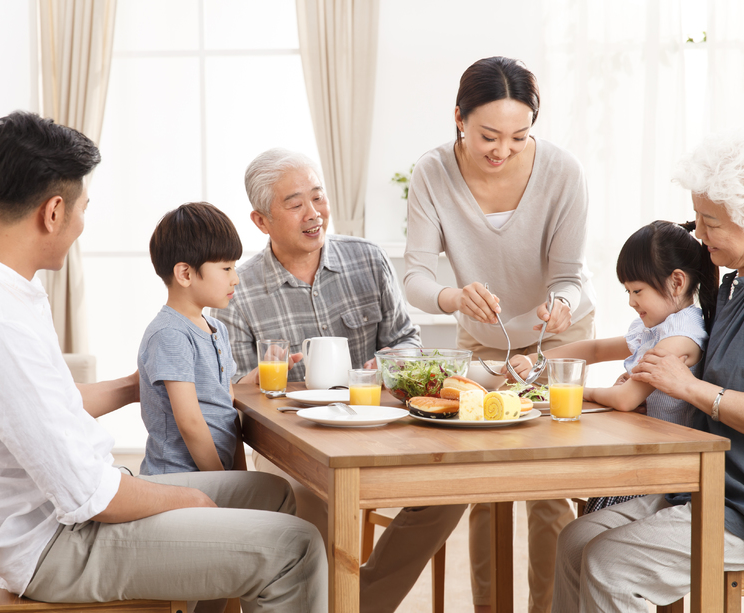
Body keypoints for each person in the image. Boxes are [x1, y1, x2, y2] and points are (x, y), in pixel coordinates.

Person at [0, 112, 326, 611]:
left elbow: (48, 405)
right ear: (54, 211)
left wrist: (135, 385)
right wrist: (182, 499)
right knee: (297, 548)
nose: (83, 223)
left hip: (72, 511)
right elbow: (91, 496)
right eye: (84, 208)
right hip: (61, 544)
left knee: (271, 495)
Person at [552, 130, 744, 612]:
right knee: (575, 542)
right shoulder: (739, 283)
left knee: (610, 563)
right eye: (698, 218)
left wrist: (690, 388)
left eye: (710, 222)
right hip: (711, 485)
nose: (698, 233)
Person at [212, 147, 466, 613]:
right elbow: (229, 388)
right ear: (261, 220)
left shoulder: (366, 260)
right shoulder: (237, 288)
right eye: (295, 204)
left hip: (377, 428)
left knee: (450, 492)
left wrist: (386, 363)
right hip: (294, 444)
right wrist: (267, 377)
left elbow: (406, 338)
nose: (314, 214)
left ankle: (355, 605)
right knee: (308, 506)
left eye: (318, 197)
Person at [403, 56, 597, 612]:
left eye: (519, 136)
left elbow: (571, 279)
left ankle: (548, 608)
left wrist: (560, 305)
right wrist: (453, 297)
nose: (502, 150)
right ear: (459, 118)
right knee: (483, 487)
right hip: (483, 340)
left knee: (547, 487)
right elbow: (415, 276)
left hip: (556, 337)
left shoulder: (563, 172)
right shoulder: (432, 172)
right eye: (489, 135)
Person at [512, 220, 718, 512]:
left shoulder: (679, 337)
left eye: (637, 291)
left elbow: (625, 398)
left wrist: (577, 391)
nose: (632, 302)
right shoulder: (659, 327)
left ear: (676, 282)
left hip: (665, 464)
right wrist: (535, 360)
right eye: (627, 292)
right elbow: (594, 349)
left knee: (586, 496)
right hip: (645, 445)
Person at [138, 202, 247, 475]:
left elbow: (228, 411)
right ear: (185, 274)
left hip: (213, 476)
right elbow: (190, 422)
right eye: (226, 269)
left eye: (234, 267)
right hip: (177, 478)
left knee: (271, 493)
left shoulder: (217, 329)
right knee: (281, 497)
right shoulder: (170, 334)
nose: (236, 279)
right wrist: (224, 482)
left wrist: (242, 477)